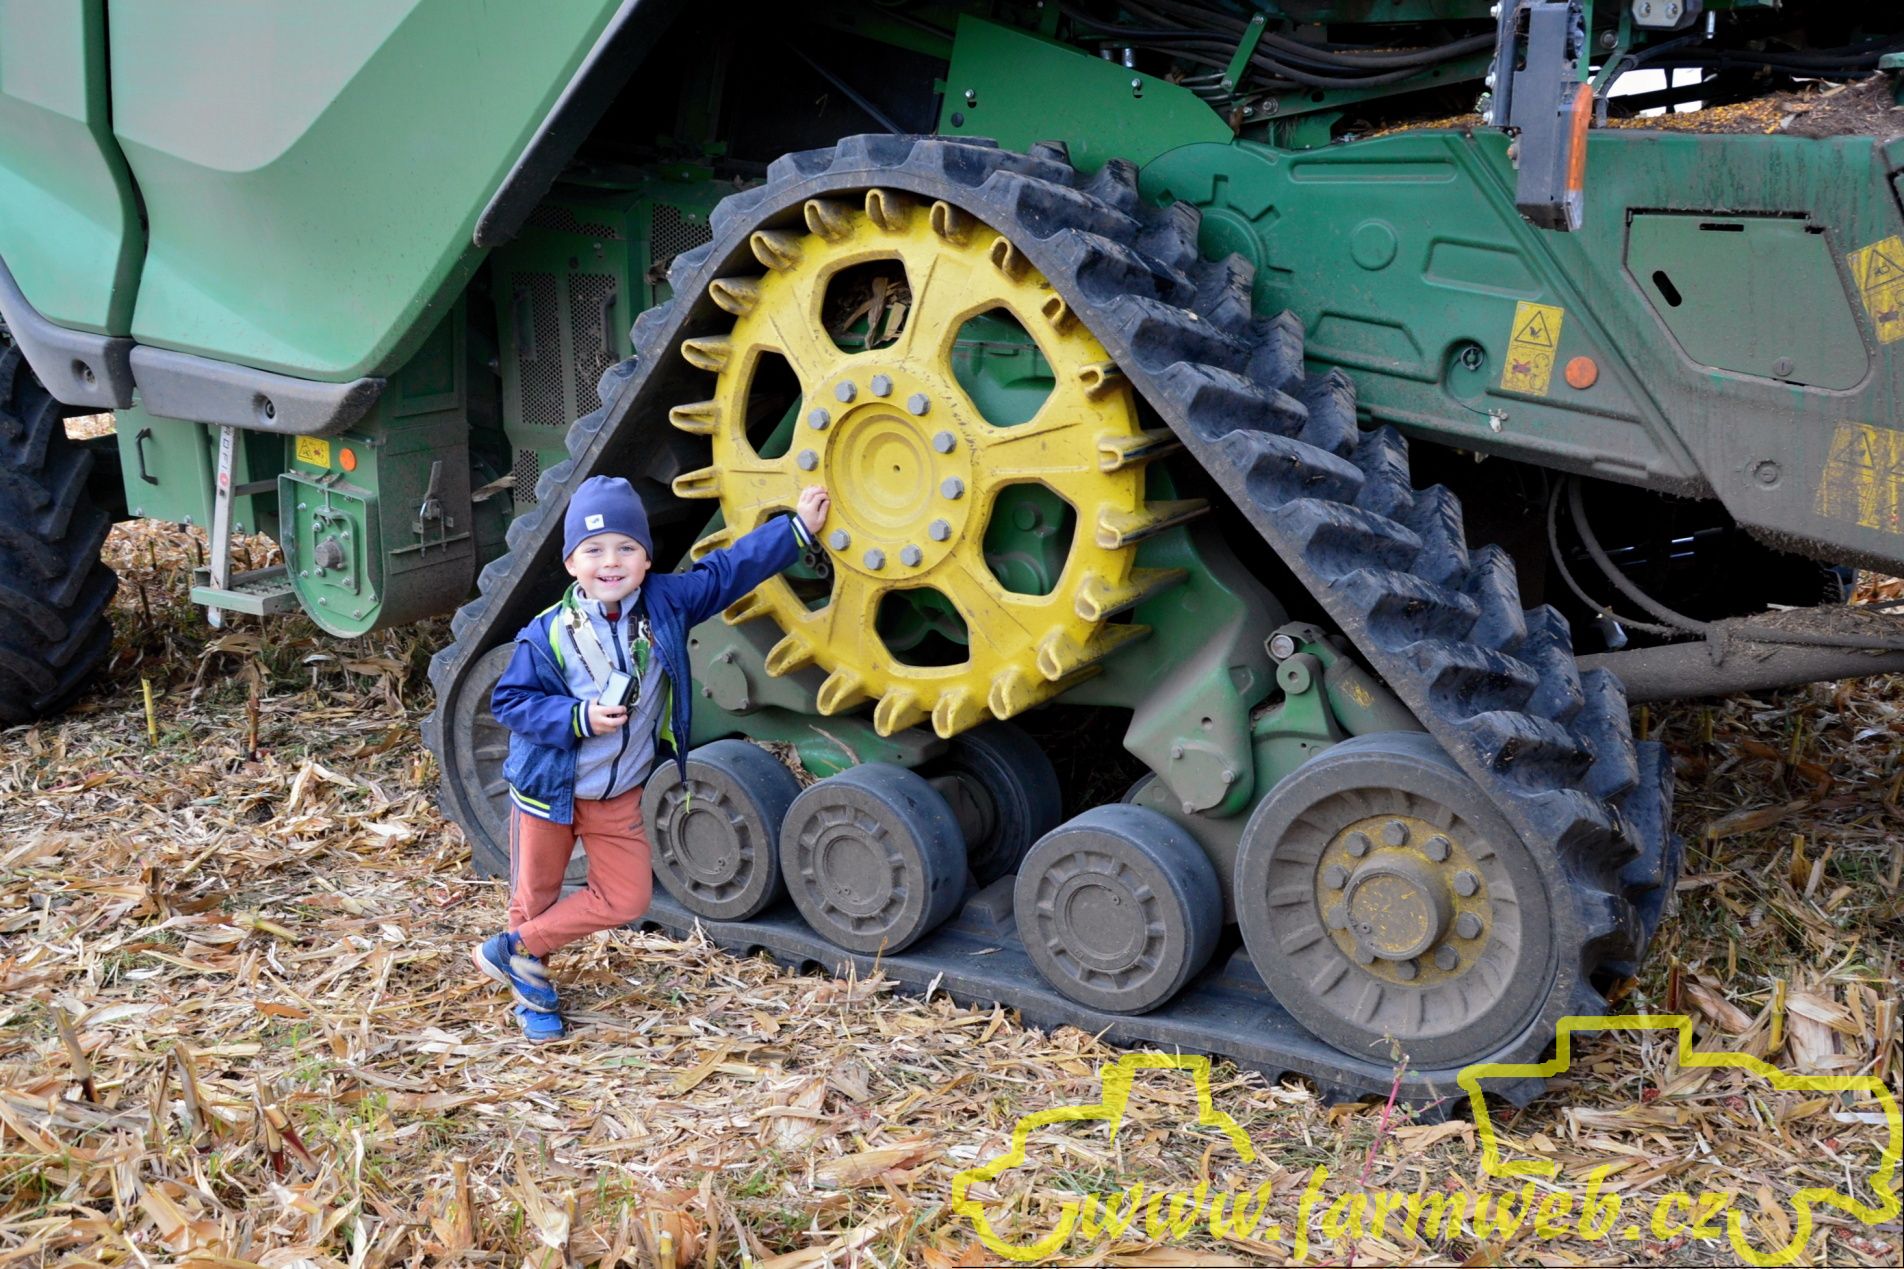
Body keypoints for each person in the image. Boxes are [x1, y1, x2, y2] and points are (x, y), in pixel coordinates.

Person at [474, 474, 830, 1041]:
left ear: (646, 558)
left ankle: (514, 949)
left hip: (618, 793)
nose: (610, 562)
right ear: (570, 563)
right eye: (593, 550)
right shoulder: (548, 634)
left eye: (625, 547)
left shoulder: (667, 603)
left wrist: (796, 530)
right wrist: (577, 718)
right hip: (548, 792)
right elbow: (510, 702)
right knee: (534, 896)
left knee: (627, 897)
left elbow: (728, 571)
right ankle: (532, 989)